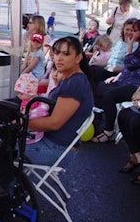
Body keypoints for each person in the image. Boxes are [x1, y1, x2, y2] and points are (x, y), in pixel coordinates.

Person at [24, 36, 94, 166]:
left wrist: (21, 123)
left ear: (78, 58)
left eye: (66, 54)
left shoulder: (76, 83)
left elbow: (54, 123)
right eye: (56, 53)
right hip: (52, 143)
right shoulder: (70, 79)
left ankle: (7, 186)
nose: (59, 58)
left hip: (56, 149)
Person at [91, 18, 140, 143]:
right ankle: (103, 119)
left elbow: (128, 62)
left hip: (139, 85)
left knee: (109, 95)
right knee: (100, 87)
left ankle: (109, 131)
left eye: (135, 30)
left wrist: (129, 45)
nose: (132, 33)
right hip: (127, 80)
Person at [91, 18, 138, 82]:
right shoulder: (120, 42)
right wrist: (95, 63)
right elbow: (110, 59)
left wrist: (113, 69)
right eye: (127, 29)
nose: (129, 32)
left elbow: (130, 67)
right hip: (107, 68)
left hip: (118, 73)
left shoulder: (136, 46)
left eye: (132, 30)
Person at [14, 73, 50, 144]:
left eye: (21, 94)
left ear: (30, 93)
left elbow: (25, 114)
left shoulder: (30, 103)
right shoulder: (32, 99)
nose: (19, 96)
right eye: (18, 93)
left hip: (30, 134)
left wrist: (17, 119)